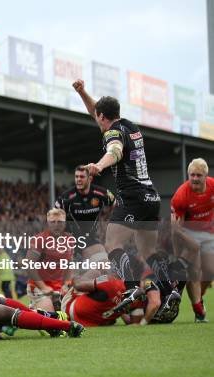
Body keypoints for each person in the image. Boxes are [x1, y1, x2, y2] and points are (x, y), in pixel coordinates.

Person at [72, 80, 160, 274]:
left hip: (132, 195)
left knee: (112, 245)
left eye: (97, 116)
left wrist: (99, 165)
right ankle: (169, 287)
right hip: (151, 197)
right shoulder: (131, 127)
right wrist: (83, 92)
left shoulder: (112, 133)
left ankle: (130, 288)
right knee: (148, 252)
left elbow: (115, 150)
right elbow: (97, 110)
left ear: (102, 116)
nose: (95, 118)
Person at [170, 158, 214, 322]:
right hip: (187, 233)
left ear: (205, 176)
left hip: (209, 232)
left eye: (198, 175)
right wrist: (176, 255)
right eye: (192, 175)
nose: (195, 178)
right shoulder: (181, 196)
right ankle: (198, 311)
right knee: (194, 272)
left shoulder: (213, 186)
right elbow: (175, 230)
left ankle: (199, 297)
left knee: (210, 272)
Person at [55, 165, 115, 263]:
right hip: (69, 241)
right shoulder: (66, 197)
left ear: (90, 178)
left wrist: (108, 219)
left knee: (104, 264)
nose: (78, 179)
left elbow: (115, 204)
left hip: (90, 239)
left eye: (82, 177)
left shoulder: (101, 193)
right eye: (76, 176)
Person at [26, 209, 74, 312]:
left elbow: (69, 263)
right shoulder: (39, 239)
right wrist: (43, 287)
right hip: (38, 287)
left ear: (65, 222)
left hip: (59, 288)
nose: (56, 225)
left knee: (74, 313)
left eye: (60, 222)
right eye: (53, 222)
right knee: (49, 318)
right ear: (48, 223)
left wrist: (67, 283)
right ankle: (32, 309)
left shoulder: (69, 239)